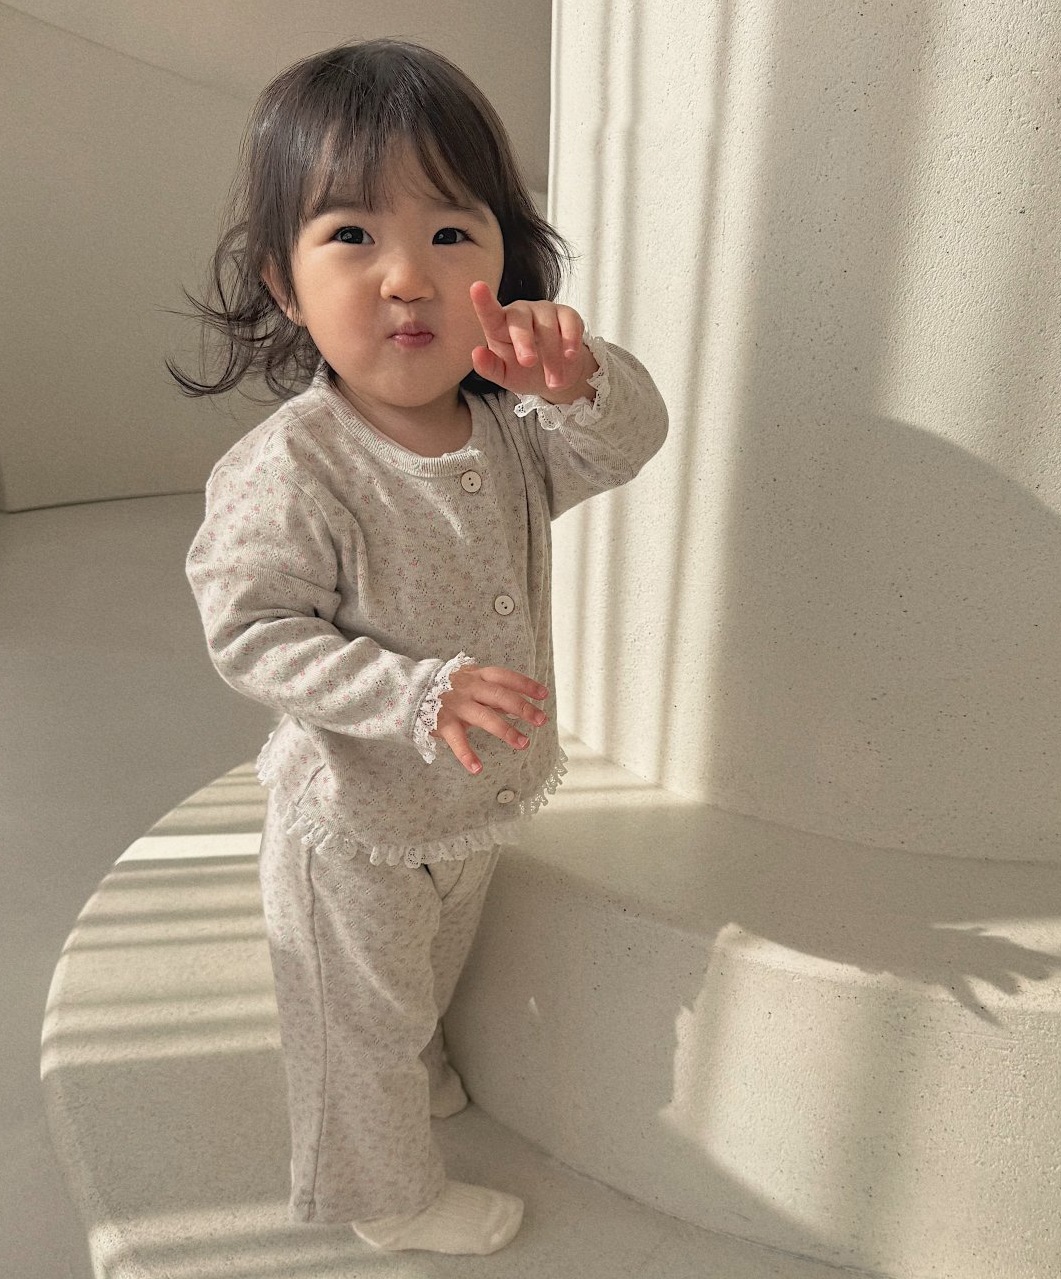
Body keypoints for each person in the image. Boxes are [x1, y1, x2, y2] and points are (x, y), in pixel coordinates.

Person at [176, 39, 667, 1256]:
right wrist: (412, 692)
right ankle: (385, 1195)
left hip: (463, 806)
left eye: (452, 233)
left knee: (422, 982)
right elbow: (249, 630)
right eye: (351, 235)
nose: (408, 277)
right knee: (357, 1024)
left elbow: (621, 445)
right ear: (285, 284)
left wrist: (583, 381)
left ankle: (406, 1075)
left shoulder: (508, 434)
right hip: (355, 822)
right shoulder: (296, 466)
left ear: (506, 262)